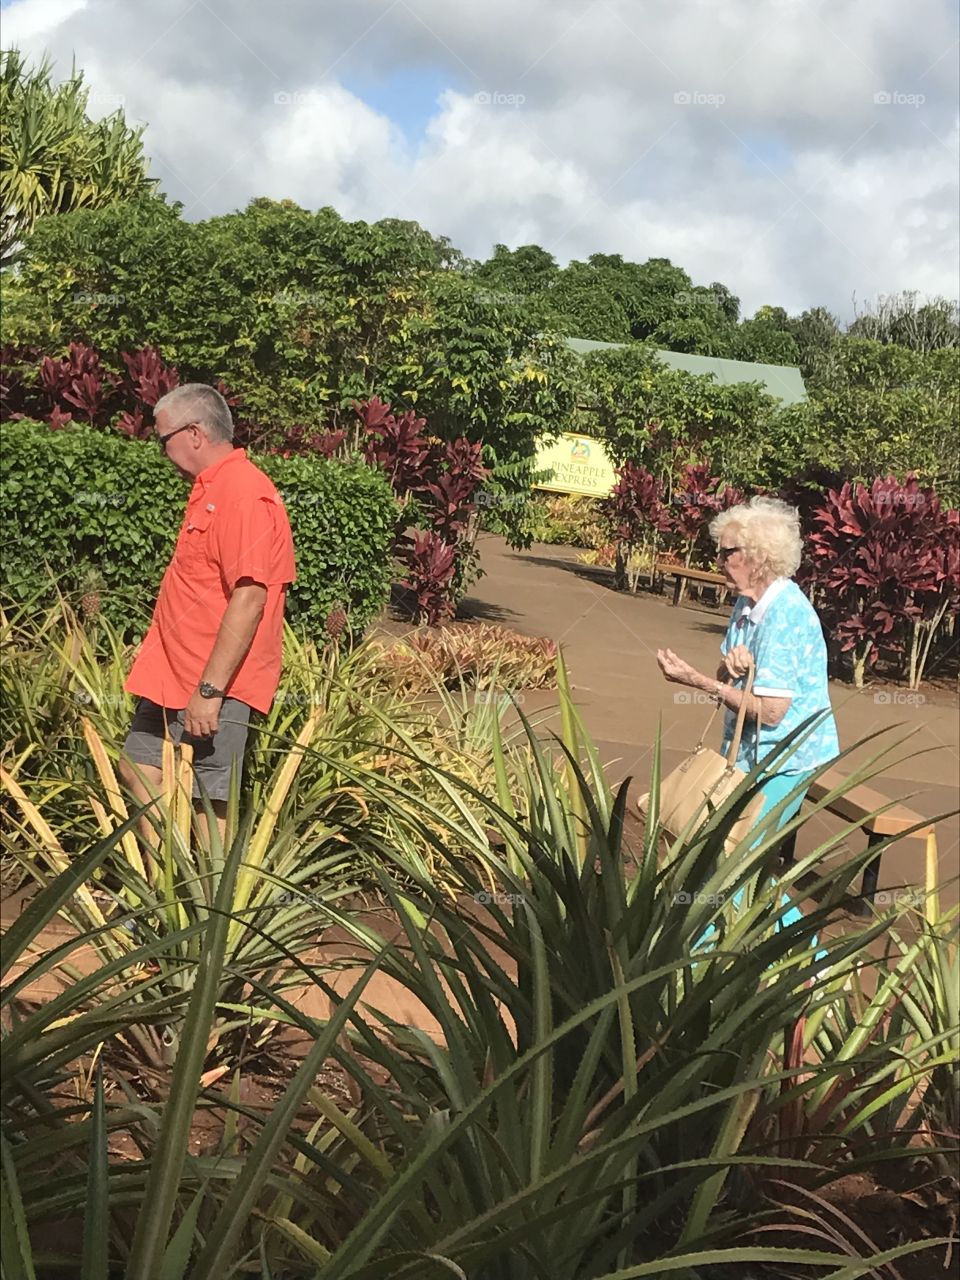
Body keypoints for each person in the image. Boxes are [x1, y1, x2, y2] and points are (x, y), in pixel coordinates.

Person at [655, 495, 839, 938]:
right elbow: (729, 670)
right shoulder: (746, 603)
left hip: (788, 759)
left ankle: (782, 957)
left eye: (727, 552)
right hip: (746, 753)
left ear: (758, 557)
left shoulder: (786, 615)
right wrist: (729, 668)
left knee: (733, 862)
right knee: (727, 856)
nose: (718, 560)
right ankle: (800, 949)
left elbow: (773, 713)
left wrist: (699, 682)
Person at [119, 384, 296, 842]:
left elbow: (250, 599)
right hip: (171, 676)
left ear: (194, 433)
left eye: (164, 440)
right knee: (138, 770)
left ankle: (211, 909)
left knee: (208, 798)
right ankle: (163, 897)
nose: (163, 452)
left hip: (214, 683)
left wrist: (211, 690)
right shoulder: (210, 490)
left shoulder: (244, 493)